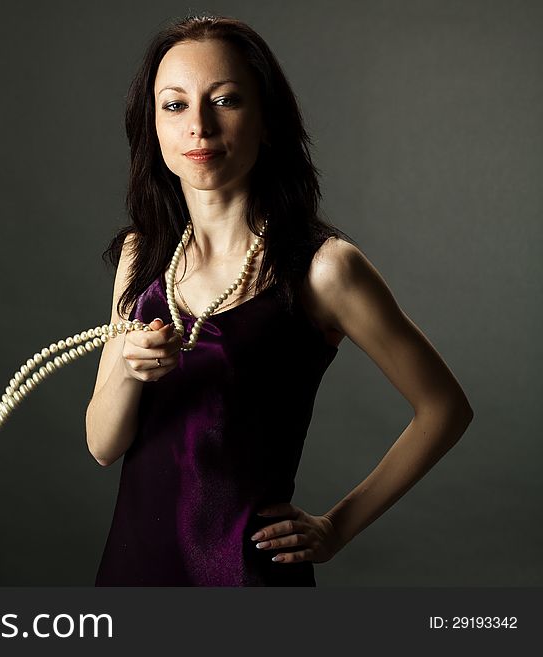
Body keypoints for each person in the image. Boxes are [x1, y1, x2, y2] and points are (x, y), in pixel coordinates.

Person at [85, 14, 473, 586]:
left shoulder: (324, 268)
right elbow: (101, 444)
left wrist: (337, 527)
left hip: (245, 577)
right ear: (153, 128)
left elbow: (445, 408)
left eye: (225, 100)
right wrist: (130, 373)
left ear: (267, 120)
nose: (198, 126)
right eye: (174, 105)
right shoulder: (142, 257)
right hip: (133, 571)